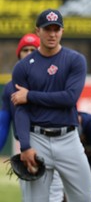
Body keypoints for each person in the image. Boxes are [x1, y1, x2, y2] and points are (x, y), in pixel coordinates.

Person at [10, 9, 91, 202]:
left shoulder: (75, 60)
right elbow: (20, 110)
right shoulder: (23, 66)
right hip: (36, 138)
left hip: (68, 139)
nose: (52, 34)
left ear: (62, 31)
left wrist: (30, 95)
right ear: (38, 30)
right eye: (48, 29)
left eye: (57, 29)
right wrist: (24, 146)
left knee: (85, 199)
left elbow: (69, 98)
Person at [0, 33, 66, 202]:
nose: (29, 53)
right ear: (19, 55)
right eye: (25, 50)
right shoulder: (10, 88)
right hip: (28, 148)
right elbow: (3, 123)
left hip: (57, 143)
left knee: (55, 195)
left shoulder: (54, 80)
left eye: (32, 49)